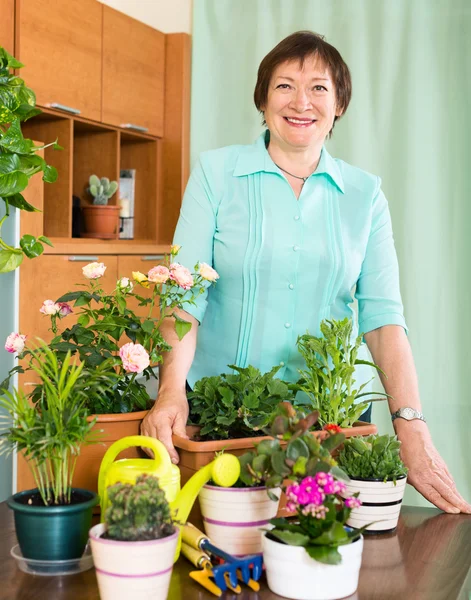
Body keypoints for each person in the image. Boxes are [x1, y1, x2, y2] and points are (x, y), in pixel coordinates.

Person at [142, 31, 471, 514]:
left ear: (339, 104)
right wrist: (171, 391)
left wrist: (411, 423)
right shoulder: (215, 174)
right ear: (262, 98)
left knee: (329, 556)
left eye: (319, 87)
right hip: (226, 410)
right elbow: (185, 296)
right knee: (233, 551)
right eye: (284, 86)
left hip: (333, 416)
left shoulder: (365, 194)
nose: (302, 102)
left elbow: (382, 318)